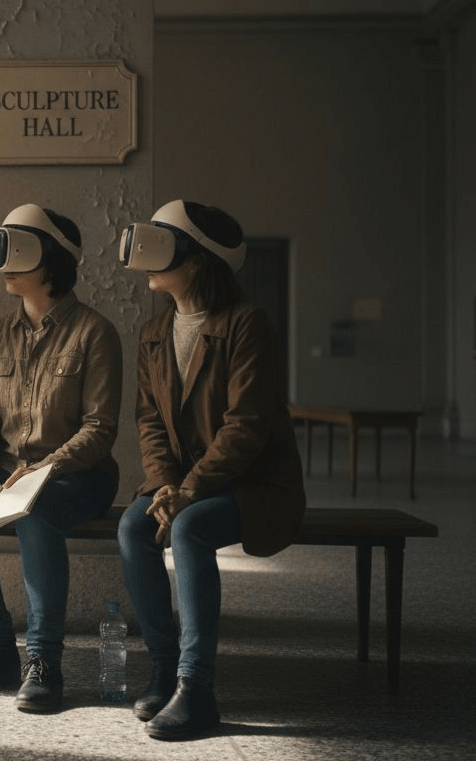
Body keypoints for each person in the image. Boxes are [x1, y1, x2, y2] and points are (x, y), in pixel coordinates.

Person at [115, 199, 306, 740]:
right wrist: (165, 484)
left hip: (255, 485)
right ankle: (164, 669)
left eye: (164, 246)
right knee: (132, 526)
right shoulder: (154, 332)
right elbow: (149, 421)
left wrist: (189, 491)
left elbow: (246, 426)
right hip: (184, 485)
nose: (148, 261)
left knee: (190, 526)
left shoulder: (247, 325)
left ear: (197, 260)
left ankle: (196, 690)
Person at [0, 205, 122, 713]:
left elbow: (100, 430)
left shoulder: (94, 332)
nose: (6, 265)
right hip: (4, 468)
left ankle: (44, 661)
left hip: (76, 473)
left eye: (21, 253)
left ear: (54, 262)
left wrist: (48, 467)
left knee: (35, 513)